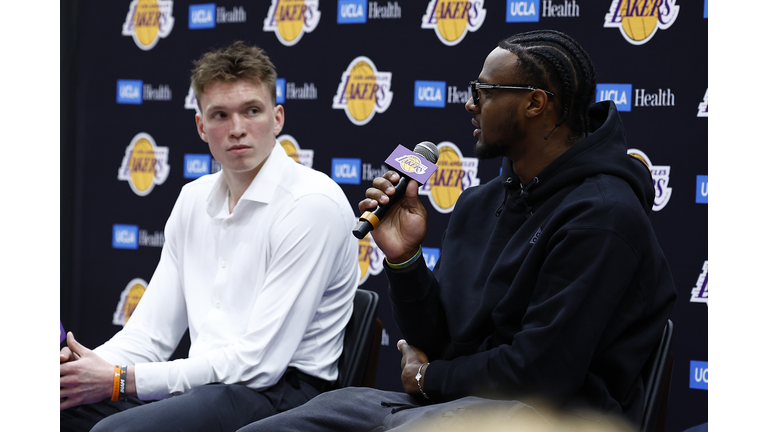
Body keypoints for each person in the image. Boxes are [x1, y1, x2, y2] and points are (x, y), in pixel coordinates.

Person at [237, 29, 677, 432]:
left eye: (483, 92)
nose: (470, 104)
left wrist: (428, 378)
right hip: (443, 407)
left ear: (535, 103)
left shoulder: (602, 215)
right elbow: (439, 341)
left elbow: (542, 374)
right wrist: (404, 259)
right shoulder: (479, 203)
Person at [60, 41, 360, 432]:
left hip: (284, 394)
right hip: (203, 386)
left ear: (277, 118)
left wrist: (119, 380)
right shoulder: (193, 199)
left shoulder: (310, 204)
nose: (237, 129)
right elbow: (149, 335)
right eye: (220, 115)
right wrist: (81, 370)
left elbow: (258, 363)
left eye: (252, 110)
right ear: (201, 126)